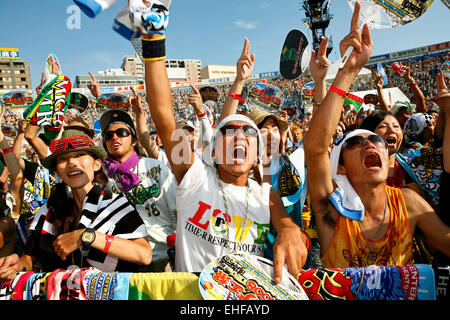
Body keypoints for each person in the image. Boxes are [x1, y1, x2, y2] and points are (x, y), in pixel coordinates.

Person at [131, 2, 308, 283]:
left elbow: (285, 221)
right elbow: (164, 116)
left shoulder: (265, 194)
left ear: (258, 155)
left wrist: (288, 231)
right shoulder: (194, 177)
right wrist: (153, 38)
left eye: (248, 132)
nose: (239, 136)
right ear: (213, 149)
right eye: (229, 132)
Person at [304, 1, 450, 268]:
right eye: (356, 142)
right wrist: (347, 72)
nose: (370, 143)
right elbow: (315, 148)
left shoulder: (409, 203)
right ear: (342, 167)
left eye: (376, 140)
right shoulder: (331, 209)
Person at [0, 129, 152, 280]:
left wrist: (86, 236)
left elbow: (144, 254)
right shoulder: (48, 211)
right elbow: (29, 259)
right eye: (63, 159)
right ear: (58, 172)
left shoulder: (116, 204)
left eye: (80, 155)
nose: (71, 163)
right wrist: (15, 266)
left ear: (97, 164)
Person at [99, 106, 177, 272]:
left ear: (134, 141)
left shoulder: (154, 167)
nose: (115, 137)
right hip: (122, 260)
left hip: (162, 257)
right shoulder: (101, 176)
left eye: (121, 132)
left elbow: (177, 209)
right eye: (108, 135)